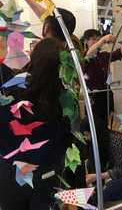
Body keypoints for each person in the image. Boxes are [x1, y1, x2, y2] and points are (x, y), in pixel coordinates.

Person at [0, 38, 73, 210]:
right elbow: (65, 146)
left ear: (34, 58)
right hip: (46, 178)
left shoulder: (10, 91)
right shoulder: (63, 103)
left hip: (10, 176)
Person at [80, 117, 122, 204]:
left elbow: (120, 170)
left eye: (87, 135)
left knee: (103, 195)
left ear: (95, 133)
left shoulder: (116, 140)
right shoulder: (100, 141)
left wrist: (96, 177)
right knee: (100, 193)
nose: (86, 138)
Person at [82, 29, 122, 127]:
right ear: (85, 41)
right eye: (94, 39)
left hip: (106, 94)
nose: (97, 41)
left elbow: (120, 53)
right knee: (93, 125)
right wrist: (103, 39)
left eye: (98, 39)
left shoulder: (103, 55)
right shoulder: (83, 56)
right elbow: (89, 54)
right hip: (93, 97)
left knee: (104, 124)